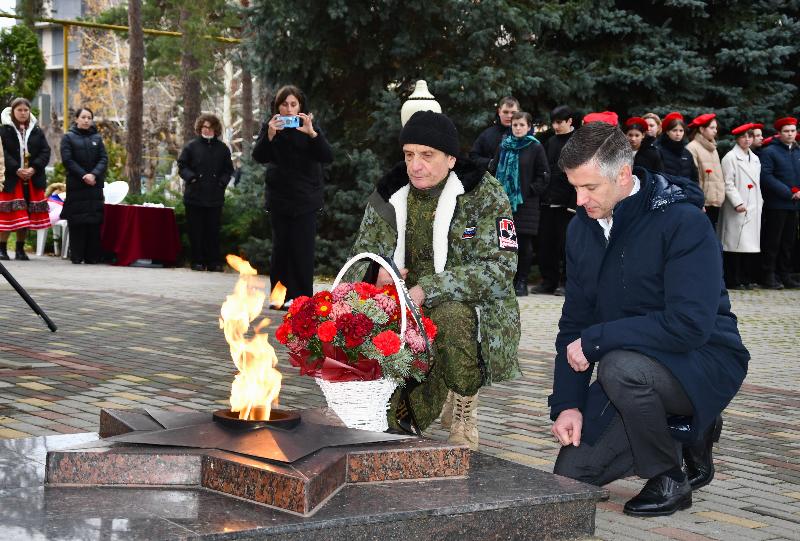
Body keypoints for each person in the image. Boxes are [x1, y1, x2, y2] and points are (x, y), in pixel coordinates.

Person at [548, 122, 748, 517]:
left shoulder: (682, 222)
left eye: (589, 188)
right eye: (574, 187)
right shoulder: (580, 229)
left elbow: (690, 324)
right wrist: (567, 405)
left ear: (623, 174)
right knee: (573, 473)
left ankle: (669, 476)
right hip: (635, 364)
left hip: (704, 359)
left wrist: (600, 340)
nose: (579, 199)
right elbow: (574, 323)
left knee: (619, 367)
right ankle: (686, 432)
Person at [350, 110, 521, 450]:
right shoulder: (390, 193)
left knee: (450, 316)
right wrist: (377, 271)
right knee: (387, 423)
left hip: (470, 308)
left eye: (427, 155)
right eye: (409, 154)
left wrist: (429, 288)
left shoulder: (483, 193)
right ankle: (415, 398)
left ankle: (464, 403)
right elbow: (361, 256)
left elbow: (501, 268)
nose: (416, 165)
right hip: (404, 307)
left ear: (451, 159)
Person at [252, 85, 333, 305]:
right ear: (277, 106)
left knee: (302, 249)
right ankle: (279, 297)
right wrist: (269, 135)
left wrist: (312, 134)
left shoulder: (309, 127)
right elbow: (258, 156)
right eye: (284, 104)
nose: (289, 109)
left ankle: (301, 299)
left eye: (293, 104)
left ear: (300, 106)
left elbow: (327, 156)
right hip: (279, 199)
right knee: (281, 249)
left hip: (306, 199)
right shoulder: (270, 127)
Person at [490, 111, 549, 296]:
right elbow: (493, 169)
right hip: (504, 203)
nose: (517, 128)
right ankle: (507, 281)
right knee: (506, 244)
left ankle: (522, 281)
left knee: (523, 244)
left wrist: (529, 190)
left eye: (521, 125)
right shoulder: (504, 146)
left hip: (526, 204)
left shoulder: (535, 147)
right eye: (515, 125)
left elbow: (544, 174)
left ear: (529, 126)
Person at [177, 113, 234, 272]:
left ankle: (214, 262)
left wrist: (222, 183)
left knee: (213, 231)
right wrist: (192, 178)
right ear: (200, 127)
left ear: (216, 130)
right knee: (196, 231)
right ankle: (197, 261)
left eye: (210, 128)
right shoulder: (191, 146)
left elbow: (228, 170)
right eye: (204, 127)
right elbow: (182, 166)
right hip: (194, 196)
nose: (207, 130)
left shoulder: (223, 149)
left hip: (215, 197)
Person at [0, 98, 51, 260]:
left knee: (26, 215)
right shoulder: (4, 130)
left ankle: (20, 249)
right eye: (19, 110)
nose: (23, 113)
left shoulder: (36, 131)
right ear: (13, 112)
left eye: (25, 110)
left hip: (32, 179)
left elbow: (45, 152)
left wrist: (33, 168)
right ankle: (2, 249)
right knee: (7, 213)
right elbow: (3, 153)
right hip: (11, 179)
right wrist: (16, 169)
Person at [59, 108, 109, 264]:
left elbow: (103, 158)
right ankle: (77, 255)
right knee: (78, 221)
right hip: (77, 185)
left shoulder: (97, 138)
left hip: (94, 186)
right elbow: (68, 160)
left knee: (94, 221)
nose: (86, 120)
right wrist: (83, 175)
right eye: (83, 117)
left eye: (89, 117)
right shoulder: (68, 137)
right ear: (76, 119)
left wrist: (94, 174)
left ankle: (92, 257)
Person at [535, 105, 575, 295]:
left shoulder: (577, 141)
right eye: (553, 122)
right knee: (546, 244)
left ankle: (567, 282)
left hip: (568, 203)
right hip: (548, 201)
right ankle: (548, 281)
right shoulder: (550, 142)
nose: (556, 126)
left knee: (566, 245)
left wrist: (574, 203)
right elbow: (545, 170)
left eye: (559, 122)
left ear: (570, 121)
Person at [719, 124, 762, 290]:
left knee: (748, 245)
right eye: (743, 136)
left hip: (753, 204)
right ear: (737, 139)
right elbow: (727, 183)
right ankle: (732, 279)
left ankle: (745, 278)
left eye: (750, 136)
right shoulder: (730, 157)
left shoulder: (755, 158)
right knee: (734, 243)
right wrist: (737, 202)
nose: (747, 139)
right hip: (737, 206)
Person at [758, 116, 800, 289]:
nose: (790, 134)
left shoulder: (798, 152)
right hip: (776, 204)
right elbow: (766, 176)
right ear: (779, 133)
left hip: (794, 205)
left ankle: (785, 274)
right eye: (786, 131)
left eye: (793, 130)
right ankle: (769, 275)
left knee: (788, 242)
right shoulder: (770, 152)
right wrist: (789, 193)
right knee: (773, 241)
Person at [686, 113, 724, 226]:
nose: (715, 131)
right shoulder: (692, 147)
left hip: (715, 200)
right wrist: (699, 199)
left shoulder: (713, 148)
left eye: (716, 128)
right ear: (702, 129)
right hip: (702, 201)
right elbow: (694, 176)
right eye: (712, 128)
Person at [469, 96, 519, 173]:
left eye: (513, 113)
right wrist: (490, 163)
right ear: (499, 112)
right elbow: (473, 157)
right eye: (505, 112)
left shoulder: (526, 137)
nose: (509, 116)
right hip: (493, 181)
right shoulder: (487, 134)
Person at [657, 112, 699, 183]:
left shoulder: (687, 153)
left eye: (681, 131)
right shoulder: (659, 150)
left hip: (686, 192)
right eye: (674, 130)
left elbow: (694, 177)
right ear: (667, 132)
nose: (678, 134)